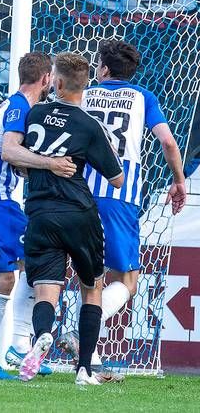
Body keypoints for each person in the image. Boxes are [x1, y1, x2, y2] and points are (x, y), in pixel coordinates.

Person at [58, 40, 187, 375]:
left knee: (91, 277)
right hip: (119, 196)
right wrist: (179, 179)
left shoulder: (84, 94)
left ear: (102, 68)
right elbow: (168, 141)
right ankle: (77, 329)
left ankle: (87, 354)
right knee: (127, 281)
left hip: (77, 192)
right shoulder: (144, 97)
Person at [5, 53, 124, 385]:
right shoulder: (88, 125)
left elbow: (18, 158)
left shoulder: (35, 114)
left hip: (40, 213)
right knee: (92, 289)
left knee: (45, 291)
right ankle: (84, 369)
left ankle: (41, 335)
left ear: (55, 82)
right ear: (84, 86)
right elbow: (117, 179)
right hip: (79, 214)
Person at [0, 52, 69, 379]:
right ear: (46, 79)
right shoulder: (20, 106)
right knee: (42, 256)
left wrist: (30, 168)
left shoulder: (15, 105)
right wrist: (50, 164)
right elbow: (9, 150)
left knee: (5, 277)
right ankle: (19, 344)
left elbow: (9, 158)